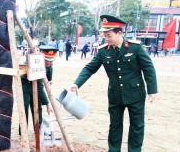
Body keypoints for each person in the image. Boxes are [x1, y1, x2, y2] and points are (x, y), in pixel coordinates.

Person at [69, 15, 157, 152]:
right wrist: (77, 83)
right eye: (105, 36)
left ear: (119, 33)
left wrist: (152, 90)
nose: (107, 39)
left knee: (137, 126)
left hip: (135, 94)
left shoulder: (135, 48)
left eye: (109, 35)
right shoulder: (104, 51)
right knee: (115, 125)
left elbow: (148, 68)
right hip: (115, 95)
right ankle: (114, 149)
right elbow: (89, 68)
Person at [20, 45, 55, 134]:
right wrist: (47, 104)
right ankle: (23, 131)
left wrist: (49, 83)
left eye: (51, 61)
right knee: (25, 107)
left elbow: (48, 80)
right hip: (26, 86)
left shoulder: (49, 66)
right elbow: (39, 86)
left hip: (37, 87)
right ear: (41, 57)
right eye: (47, 60)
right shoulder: (35, 63)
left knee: (37, 107)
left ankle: (38, 129)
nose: (49, 63)